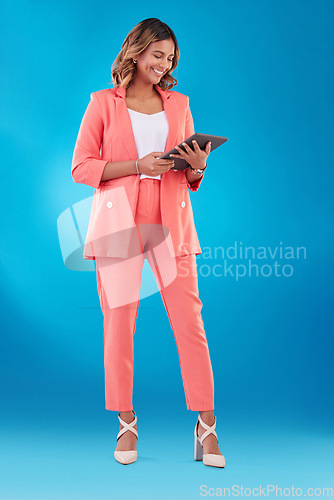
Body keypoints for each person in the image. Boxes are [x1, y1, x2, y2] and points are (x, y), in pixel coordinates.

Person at [71, 17, 226, 468]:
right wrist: (137, 165)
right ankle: (125, 422)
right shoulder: (102, 103)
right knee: (120, 324)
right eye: (157, 54)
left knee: (189, 323)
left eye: (170, 57)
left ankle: (207, 426)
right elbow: (82, 167)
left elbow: (188, 174)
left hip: (172, 224)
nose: (164, 63)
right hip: (120, 226)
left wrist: (197, 166)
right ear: (136, 53)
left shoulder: (179, 105)